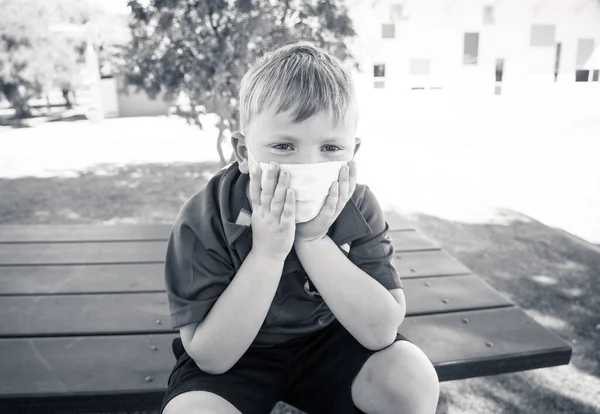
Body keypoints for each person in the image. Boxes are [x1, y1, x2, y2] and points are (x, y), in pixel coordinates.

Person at [161, 41, 439, 414]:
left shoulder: (357, 204)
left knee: (410, 378)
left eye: (329, 148)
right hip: (239, 354)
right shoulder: (206, 217)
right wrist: (267, 254)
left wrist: (312, 239)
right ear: (244, 153)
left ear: (352, 152)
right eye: (283, 146)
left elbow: (380, 331)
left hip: (329, 340)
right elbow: (211, 357)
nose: (308, 164)